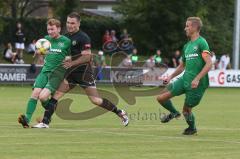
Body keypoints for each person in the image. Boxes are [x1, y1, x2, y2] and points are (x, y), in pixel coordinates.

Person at [32, 12, 129, 128]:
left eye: (72, 23)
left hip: (84, 73)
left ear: (78, 23)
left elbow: (87, 56)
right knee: (56, 96)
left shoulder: (83, 37)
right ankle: (45, 122)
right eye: (68, 22)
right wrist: (43, 51)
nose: (70, 25)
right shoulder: (65, 37)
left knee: (95, 100)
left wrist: (71, 62)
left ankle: (120, 112)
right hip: (70, 73)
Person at [156, 17, 212, 135]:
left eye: (187, 26)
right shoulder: (187, 46)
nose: (185, 28)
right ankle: (174, 113)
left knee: (186, 111)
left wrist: (197, 79)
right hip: (185, 79)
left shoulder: (202, 42)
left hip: (198, 84)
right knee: (161, 97)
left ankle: (192, 128)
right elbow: (182, 66)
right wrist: (170, 77)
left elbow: (209, 64)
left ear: (194, 27)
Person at [18, 18, 71, 128]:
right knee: (35, 93)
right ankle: (26, 119)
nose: (50, 32)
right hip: (44, 71)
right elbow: (40, 52)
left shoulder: (66, 41)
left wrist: (68, 61)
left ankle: (50, 109)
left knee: (42, 97)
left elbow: (70, 57)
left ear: (59, 29)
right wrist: (38, 52)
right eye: (48, 29)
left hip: (57, 74)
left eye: (52, 29)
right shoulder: (46, 40)